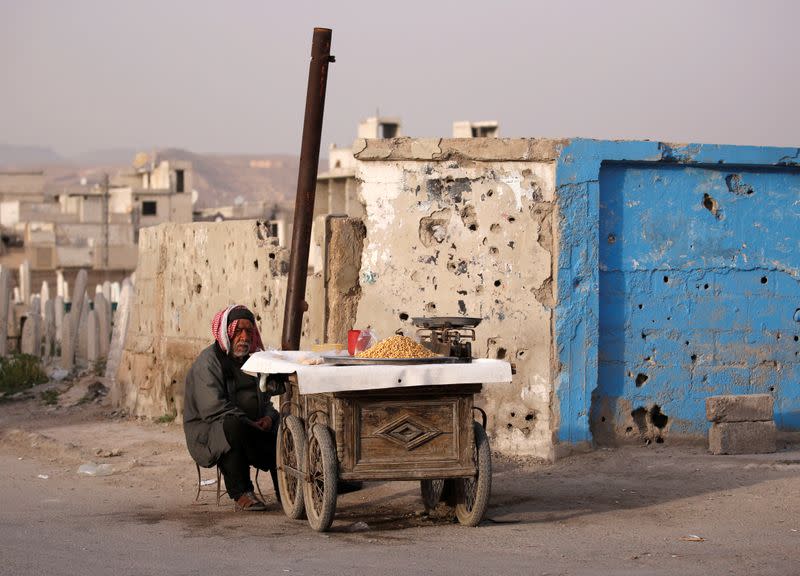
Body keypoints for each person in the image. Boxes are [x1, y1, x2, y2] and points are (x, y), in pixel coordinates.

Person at [183, 304, 280, 511]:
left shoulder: (252, 361)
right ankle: (241, 492)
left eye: (248, 331)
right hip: (209, 431)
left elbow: (267, 402)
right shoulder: (208, 362)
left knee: (284, 422)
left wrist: (269, 418)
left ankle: (290, 486)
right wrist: (250, 424)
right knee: (233, 427)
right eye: (238, 331)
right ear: (227, 332)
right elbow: (213, 409)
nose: (244, 337)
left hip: (251, 427)